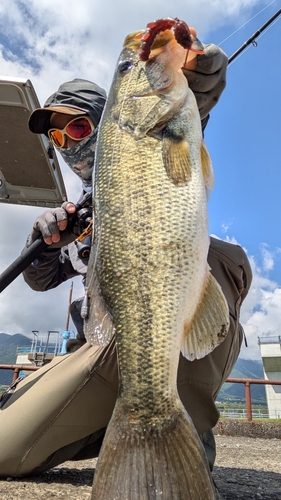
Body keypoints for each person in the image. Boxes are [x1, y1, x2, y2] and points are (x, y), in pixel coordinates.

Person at [0, 40, 252, 492]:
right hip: (100, 354)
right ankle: (107, 427)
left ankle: (184, 444)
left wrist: (196, 87)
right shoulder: (76, 215)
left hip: (163, 340)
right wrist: (40, 238)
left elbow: (179, 123)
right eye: (55, 138)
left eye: (76, 128)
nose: (66, 145)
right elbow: (38, 281)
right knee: (3, 449)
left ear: (107, 122)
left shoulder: (156, 142)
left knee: (215, 259)